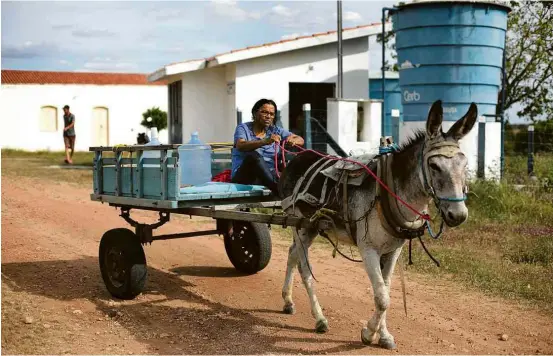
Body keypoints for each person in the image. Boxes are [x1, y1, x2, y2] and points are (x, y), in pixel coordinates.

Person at [231, 98, 304, 195]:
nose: (268, 116)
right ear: (255, 113)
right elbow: (240, 145)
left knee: (299, 161)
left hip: (268, 175)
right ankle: (278, 189)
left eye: (271, 114)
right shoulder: (243, 128)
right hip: (245, 176)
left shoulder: (275, 130)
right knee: (253, 156)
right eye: (264, 112)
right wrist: (265, 141)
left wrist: (293, 140)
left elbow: (300, 140)